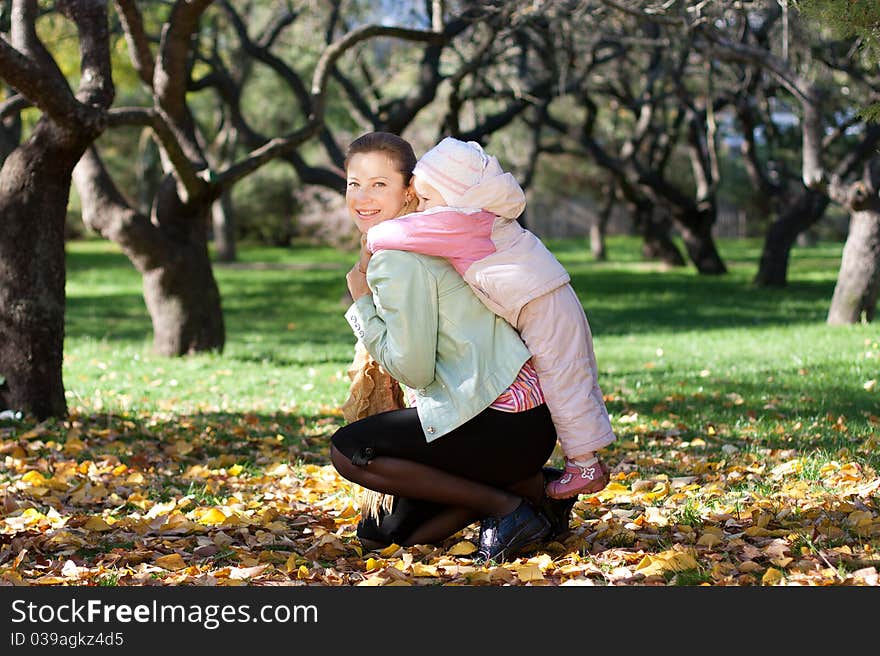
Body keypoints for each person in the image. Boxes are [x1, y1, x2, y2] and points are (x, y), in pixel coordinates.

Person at [330, 132, 571, 562]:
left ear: (410, 191)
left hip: (498, 422)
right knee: (382, 533)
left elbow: (414, 370)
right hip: (525, 423)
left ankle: (509, 509)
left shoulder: (396, 258)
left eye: (379, 184)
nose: (362, 197)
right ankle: (534, 490)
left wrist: (362, 302)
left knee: (348, 451)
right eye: (354, 183)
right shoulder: (429, 234)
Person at [363, 136, 616, 499]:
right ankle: (583, 461)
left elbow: (403, 231)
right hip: (540, 299)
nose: (423, 208)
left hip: (542, 305)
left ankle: (584, 463)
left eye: (429, 199)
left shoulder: (465, 221)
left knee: (565, 379)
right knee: (571, 375)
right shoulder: (477, 218)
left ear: (455, 195)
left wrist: (370, 241)